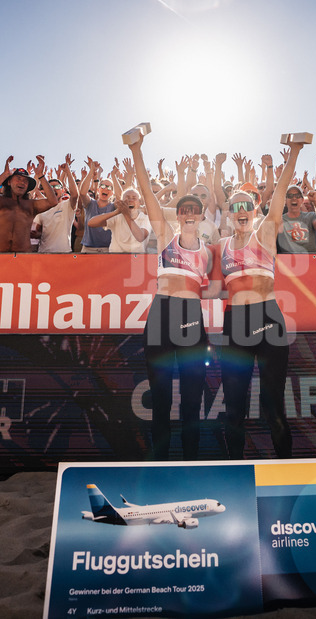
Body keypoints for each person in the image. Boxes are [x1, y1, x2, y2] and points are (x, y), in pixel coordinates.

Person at [215, 136, 307, 460]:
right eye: (234, 206)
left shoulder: (265, 232)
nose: (241, 211)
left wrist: (293, 153)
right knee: (234, 408)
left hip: (268, 321)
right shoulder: (221, 246)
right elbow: (211, 288)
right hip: (235, 324)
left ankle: (286, 468)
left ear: (255, 210)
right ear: (228, 213)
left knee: (273, 405)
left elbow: (280, 193)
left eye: (247, 206)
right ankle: (235, 471)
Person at [129, 127, 211, 460]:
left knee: (192, 398)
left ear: (203, 215)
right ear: (178, 215)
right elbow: (147, 193)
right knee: (161, 397)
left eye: (195, 210)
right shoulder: (165, 235)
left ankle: (190, 461)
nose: (189, 214)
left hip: (192, 319)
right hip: (161, 315)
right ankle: (161, 462)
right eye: (184, 210)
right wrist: (137, 150)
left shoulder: (210, 252)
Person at [0, 157, 57, 253]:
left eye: (25, 181)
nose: (22, 182)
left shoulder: (31, 205)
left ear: (28, 186)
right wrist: (5, 175)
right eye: (18, 178)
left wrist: (41, 175)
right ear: (9, 182)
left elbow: (53, 202)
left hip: (23, 257)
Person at [86, 187, 151, 253]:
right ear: (121, 201)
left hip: (136, 258)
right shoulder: (117, 217)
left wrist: (126, 215)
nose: (130, 200)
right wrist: (116, 212)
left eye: (134, 198)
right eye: (127, 198)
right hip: (116, 257)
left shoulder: (145, 218)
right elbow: (91, 223)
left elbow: (140, 237)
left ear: (139, 203)